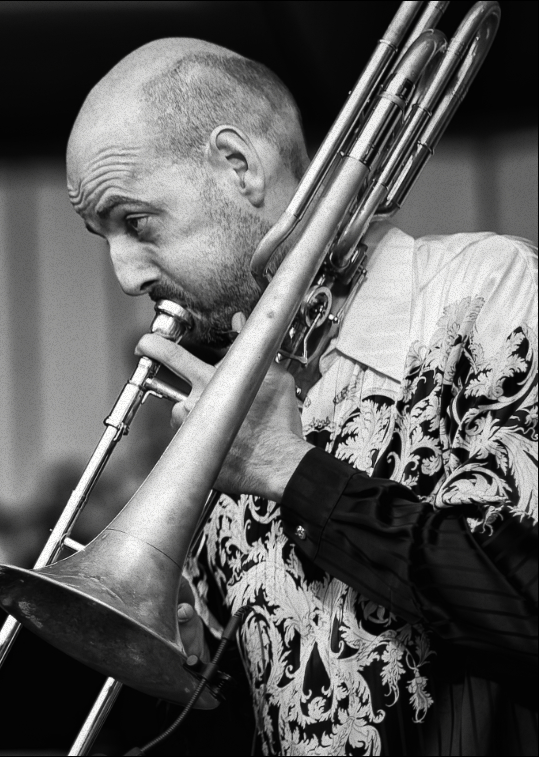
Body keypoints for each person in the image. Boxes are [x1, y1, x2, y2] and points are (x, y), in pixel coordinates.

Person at [65, 37, 537, 755]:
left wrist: (292, 470)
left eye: (136, 222)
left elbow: (523, 606)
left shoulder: (488, 294)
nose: (125, 275)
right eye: (101, 236)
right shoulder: (220, 397)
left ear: (238, 166)